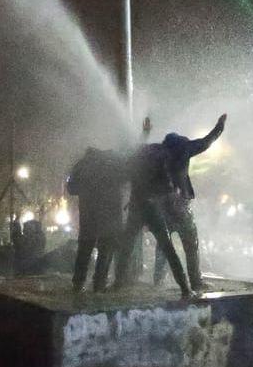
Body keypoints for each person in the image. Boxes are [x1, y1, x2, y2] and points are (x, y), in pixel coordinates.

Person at [153, 114, 227, 292]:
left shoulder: (158, 154)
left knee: (163, 244)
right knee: (190, 243)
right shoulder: (184, 149)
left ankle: (158, 281)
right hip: (181, 205)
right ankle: (195, 281)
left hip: (163, 205)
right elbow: (206, 141)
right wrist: (219, 126)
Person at [115, 139, 192, 297]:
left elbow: (124, 177)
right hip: (152, 209)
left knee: (126, 247)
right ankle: (185, 287)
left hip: (136, 208)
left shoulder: (135, 160)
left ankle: (117, 283)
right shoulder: (160, 159)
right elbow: (168, 185)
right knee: (168, 248)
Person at [67, 147, 126, 292]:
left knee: (85, 248)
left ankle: (78, 283)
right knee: (106, 249)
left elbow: (71, 188)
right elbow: (125, 180)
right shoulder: (112, 164)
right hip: (110, 215)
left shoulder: (81, 165)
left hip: (88, 213)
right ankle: (99, 284)